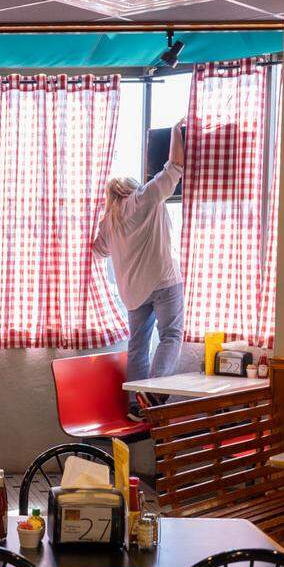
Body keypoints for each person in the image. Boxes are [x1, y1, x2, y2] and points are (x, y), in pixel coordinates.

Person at [94, 119, 186, 420]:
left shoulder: (109, 222)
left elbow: (98, 250)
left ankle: (135, 404)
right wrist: (175, 131)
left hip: (134, 292)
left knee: (137, 346)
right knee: (171, 334)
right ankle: (154, 394)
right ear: (131, 187)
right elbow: (174, 167)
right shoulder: (144, 197)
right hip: (163, 280)